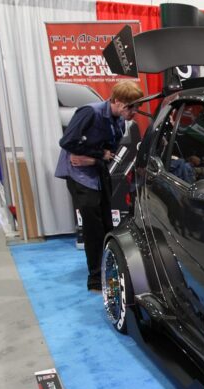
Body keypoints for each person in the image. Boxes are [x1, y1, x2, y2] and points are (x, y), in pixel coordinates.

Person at [55, 80, 144, 292]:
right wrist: (97, 155)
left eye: (136, 107)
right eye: (131, 107)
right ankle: (95, 279)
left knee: (106, 224)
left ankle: (108, 270)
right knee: (93, 228)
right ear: (117, 101)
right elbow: (67, 142)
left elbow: (109, 154)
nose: (134, 112)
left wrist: (94, 159)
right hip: (79, 175)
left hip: (96, 171)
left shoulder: (119, 123)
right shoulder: (90, 112)